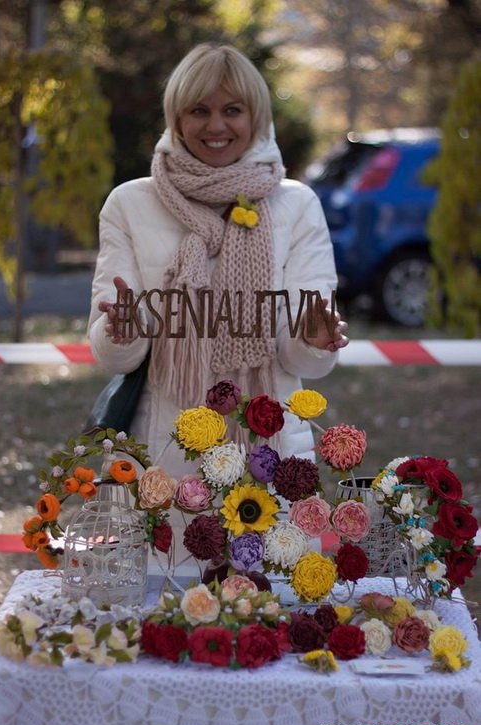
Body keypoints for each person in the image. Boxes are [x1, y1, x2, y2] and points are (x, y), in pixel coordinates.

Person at [88, 43, 348, 573]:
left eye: (232, 109)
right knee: (164, 605)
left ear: (257, 115)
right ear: (176, 117)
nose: (216, 125)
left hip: (271, 453)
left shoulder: (296, 205)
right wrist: (122, 330)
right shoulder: (130, 204)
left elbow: (303, 360)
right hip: (165, 453)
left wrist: (315, 339)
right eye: (199, 110)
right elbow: (113, 355)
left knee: (273, 608)